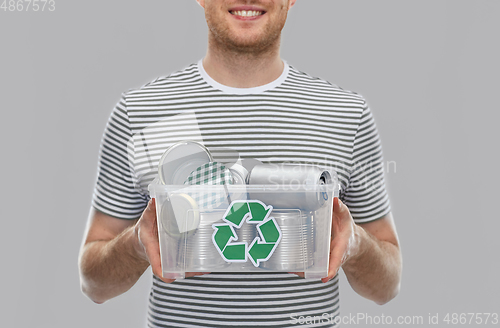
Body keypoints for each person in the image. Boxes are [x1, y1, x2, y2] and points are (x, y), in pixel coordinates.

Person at [78, 0, 402, 327]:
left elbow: (387, 286)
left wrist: (356, 245)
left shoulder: (344, 114)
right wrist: (136, 245)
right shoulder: (141, 112)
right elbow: (94, 284)